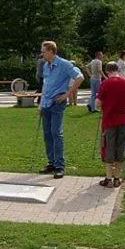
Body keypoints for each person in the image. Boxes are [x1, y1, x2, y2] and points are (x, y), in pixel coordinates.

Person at [38, 40, 84, 179]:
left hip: (58, 102)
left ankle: (60, 165)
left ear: (51, 51)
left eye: (43, 51)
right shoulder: (46, 65)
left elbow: (79, 77)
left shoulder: (64, 64)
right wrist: (41, 103)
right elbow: (45, 84)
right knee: (47, 134)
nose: (42, 54)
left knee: (56, 133)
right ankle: (51, 162)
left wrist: (67, 95)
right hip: (46, 103)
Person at [96, 61, 125, 187]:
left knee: (108, 148)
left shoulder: (105, 84)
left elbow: (97, 104)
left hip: (109, 121)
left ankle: (108, 179)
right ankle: (117, 178)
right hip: (123, 121)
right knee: (120, 148)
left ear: (107, 71)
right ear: (118, 69)